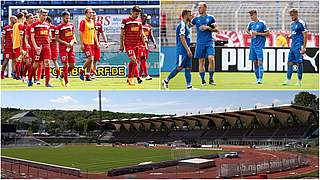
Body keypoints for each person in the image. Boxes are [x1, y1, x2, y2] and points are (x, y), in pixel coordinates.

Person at [162, 9, 196, 90]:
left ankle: (189, 86)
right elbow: (181, 37)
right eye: (190, 15)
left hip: (185, 49)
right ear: (185, 15)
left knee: (188, 67)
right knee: (180, 67)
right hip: (182, 50)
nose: (191, 16)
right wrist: (188, 50)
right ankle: (166, 81)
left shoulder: (186, 25)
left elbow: (190, 26)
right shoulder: (182, 25)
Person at [120, 5, 146, 85]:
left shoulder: (139, 20)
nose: (137, 14)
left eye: (138, 13)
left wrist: (144, 37)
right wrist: (121, 45)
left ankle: (129, 78)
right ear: (132, 12)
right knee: (134, 60)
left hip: (137, 44)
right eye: (136, 13)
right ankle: (131, 79)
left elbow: (141, 31)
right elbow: (122, 33)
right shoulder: (125, 20)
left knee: (133, 61)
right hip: (128, 44)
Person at [282, 8, 308, 86]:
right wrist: (289, 36)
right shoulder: (292, 24)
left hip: (298, 46)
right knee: (289, 62)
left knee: (299, 63)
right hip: (292, 46)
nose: (291, 17)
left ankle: (299, 81)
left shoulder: (301, 23)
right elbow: (294, 34)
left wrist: (304, 47)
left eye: (292, 15)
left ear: (296, 14)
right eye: (290, 15)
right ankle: (288, 80)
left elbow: (305, 35)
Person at [28, 9, 52, 87]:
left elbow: (49, 35)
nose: (44, 17)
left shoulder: (47, 25)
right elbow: (32, 37)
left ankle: (47, 82)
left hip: (46, 47)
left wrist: (49, 38)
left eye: (46, 15)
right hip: (38, 47)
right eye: (43, 15)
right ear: (39, 15)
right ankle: (30, 79)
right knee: (36, 64)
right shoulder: (34, 25)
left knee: (47, 62)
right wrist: (36, 47)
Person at [246, 9, 270, 84]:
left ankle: (260, 79)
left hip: (260, 46)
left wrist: (257, 33)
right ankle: (257, 79)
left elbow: (268, 33)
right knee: (255, 62)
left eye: (252, 15)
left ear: (255, 14)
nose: (251, 17)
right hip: (253, 45)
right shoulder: (251, 24)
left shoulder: (262, 23)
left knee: (260, 62)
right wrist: (250, 33)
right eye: (250, 15)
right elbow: (247, 30)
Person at [55, 11, 77, 87]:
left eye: (69, 17)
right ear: (63, 17)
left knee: (72, 65)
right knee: (65, 65)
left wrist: (74, 40)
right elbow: (57, 39)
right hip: (63, 48)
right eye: (66, 18)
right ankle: (66, 82)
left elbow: (73, 34)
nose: (68, 19)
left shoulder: (71, 25)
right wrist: (65, 43)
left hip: (70, 47)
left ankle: (61, 76)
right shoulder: (59, 27)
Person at [79, 8, 97, 81]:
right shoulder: (83, 22)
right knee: (90, 58)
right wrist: (82, 44)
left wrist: (97, 42)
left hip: (92, 43)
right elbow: (80, 33)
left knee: (91, 60)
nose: (91, 14)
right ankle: (81, 70)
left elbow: (94, 32)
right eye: (89, 12)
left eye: (92, 12)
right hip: (86, 43)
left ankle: (87, 75)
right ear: (86, 14)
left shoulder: (92, 21)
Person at [92, 11, 109, 79]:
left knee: (95, 59)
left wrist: (106, 42)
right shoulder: (88, 24)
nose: (94, 17)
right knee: (91, 59)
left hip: (97, 44)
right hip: (90, 44)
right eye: (93, 15)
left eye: (95, 15)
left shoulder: (99, 24)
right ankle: (90, 73)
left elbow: (102, 33)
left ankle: (92, 73)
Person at [139, 13, 156, 80]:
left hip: (146, 45)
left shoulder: (149, 27)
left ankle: (139, 76)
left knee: (143, 61)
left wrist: (154, 42)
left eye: (146, 17)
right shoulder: (139, 25)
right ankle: (146, 75)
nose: (145, 18)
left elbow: (151, 35)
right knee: (143, 60)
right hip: (140, 45)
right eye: (143, 16)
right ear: (141, 17)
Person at [12, 12, 26, 81]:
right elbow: (21, 37)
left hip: (15, 44)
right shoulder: (20, 25)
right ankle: (17, 74)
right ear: (22, 18)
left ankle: (16, 73)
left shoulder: (14, 25)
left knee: (19, 60)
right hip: (19, 45)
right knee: (19, 60)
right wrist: (21, 47)